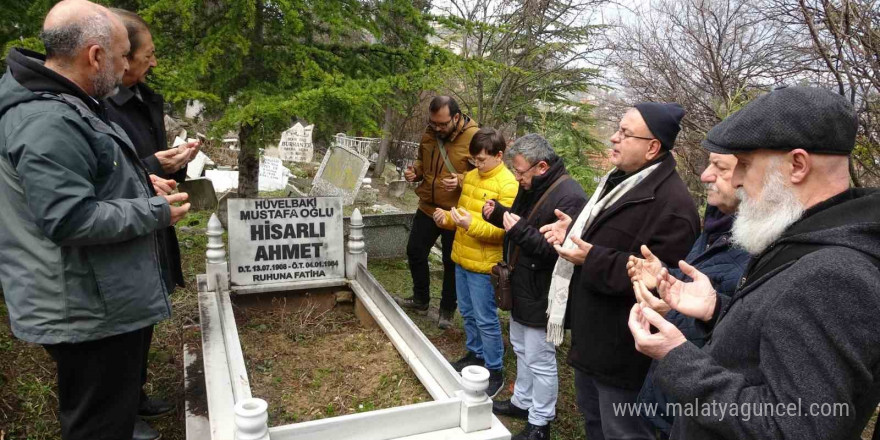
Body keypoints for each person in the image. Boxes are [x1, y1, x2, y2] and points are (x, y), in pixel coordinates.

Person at [629, 86, 880, 439]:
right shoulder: (805, 238)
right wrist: (715, 310)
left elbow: (796, 426)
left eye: (744, 164)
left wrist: (676, 357)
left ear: (797, 165)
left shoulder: (834, 273)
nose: (735, 179)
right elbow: (772, 349)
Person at [0, 1, 190, 439]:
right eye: (124, 55)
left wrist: (143, 178)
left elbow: (85, 178)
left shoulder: (69, 103)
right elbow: (68, 218)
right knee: (99, 427)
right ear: (95, 56)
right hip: (82, 308)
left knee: (110, 415)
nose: (128, 66)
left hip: (95, 296)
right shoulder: (47, 118)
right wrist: (153, 210)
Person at [540, 103, 700, 440]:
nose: (613, 137)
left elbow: (662, 286)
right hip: (592, 342)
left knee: (622, 432)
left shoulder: (674, 207)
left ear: (652, 147)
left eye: (625, 133)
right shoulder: (619, 182)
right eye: (618, 128)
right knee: (595, 424)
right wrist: (575, 231)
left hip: (625, 357)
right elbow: (608, 238)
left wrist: (592, 257)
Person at [103, 8, 197, 438]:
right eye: (146, 55)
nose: (152, 63)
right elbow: (109, 174)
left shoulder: (144, 99)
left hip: (150, 217)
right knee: (122, 325)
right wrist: (149, 165)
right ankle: (119, 413)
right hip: (123, 223)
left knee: (146, 314)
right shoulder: (100, 105)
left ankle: (134, 395)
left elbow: (145, 165)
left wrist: (173, 164)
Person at [626, 152, 749, 438]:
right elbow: (705, 296)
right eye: (709, 164)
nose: (705, 175)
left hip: (701, 410)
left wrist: (677, 313)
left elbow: (740, 334)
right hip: (668, 394)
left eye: (720, 167)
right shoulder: (718, 226)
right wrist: (663, 279)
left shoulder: (760, 242)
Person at [481, 134, 587, 440]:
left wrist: (516, 227)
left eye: (520, 172)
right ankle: (522, 402)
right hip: (522, 285)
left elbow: (556, 253)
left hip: (543, 291)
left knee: (540, 359)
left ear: (541, 166)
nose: (517, 177)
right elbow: (521, 221)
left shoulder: (569, 197)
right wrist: (500, 213)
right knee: (521, 348)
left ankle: (541, 422)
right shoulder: (535, 186)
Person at [433, 127, 518, 397]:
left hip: (485, 265)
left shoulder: (508, 185)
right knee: (468, 313)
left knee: (486, 319)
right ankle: (475, 354)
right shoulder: (470, 177)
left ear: (499, 155)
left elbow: (503, 231)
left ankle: (494, 370)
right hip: (461, 257)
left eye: (482, 160)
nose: (477, 165)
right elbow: (462, 214)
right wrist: (446, 218)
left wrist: (471, 225)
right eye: (474, 160)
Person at [395, 96, 478, 329]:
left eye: (442, 124)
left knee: (450, 261)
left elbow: (484, 171)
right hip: (428, 207)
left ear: (457, 117)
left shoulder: (474, 137)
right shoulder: (429, 133)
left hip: (455, 212)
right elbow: (422, 161)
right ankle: (420, 299)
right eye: (434, 123)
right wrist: (415, 173)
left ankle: (447, 310)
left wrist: (461, 180)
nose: (438, 128)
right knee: (415, 251)